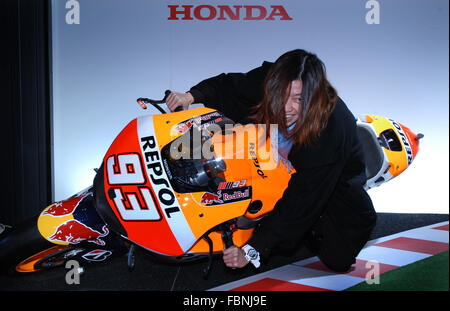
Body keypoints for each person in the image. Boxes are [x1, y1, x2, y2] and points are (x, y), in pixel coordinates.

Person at [166, 49, 377, 272]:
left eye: (299, 99)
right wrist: (189, 96)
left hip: (327, 183)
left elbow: (301, 201)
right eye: (282, 96)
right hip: (276, 151)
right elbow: (231, 86)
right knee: (224, 140)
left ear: (314, 98)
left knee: (337, 257)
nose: (286, 108)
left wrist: (253, 249)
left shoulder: (331, 129)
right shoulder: (274, 79)